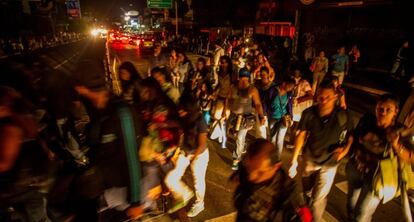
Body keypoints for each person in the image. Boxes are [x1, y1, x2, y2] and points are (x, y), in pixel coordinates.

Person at [74, 85, 144, 220]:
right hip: (106, 182)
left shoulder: (123, 113)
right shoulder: (104, 112)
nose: (90, 100)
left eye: (90, 94)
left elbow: (131, 155)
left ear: (103, 92)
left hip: (121, 186)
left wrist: (135, 201)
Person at [289, 80, 354, 222]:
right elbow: (301, 136)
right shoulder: (309, 113)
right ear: (316, 96)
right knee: (305, 192)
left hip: (330, 164)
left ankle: (315, 219)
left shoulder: (343, 116)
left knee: (318, 199)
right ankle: (303, 213)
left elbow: (351, 137)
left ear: (335, 97)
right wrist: (294, 161)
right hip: (310, 160)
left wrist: (344, 151)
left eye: (328, 97)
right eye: (320, 97)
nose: (324, 101)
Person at [346, 94, 411, 222]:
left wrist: (396, 145)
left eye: (388, 110)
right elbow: (354, 135)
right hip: (355, 169)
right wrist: (347, 148)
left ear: (396, 112)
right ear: (375, 108)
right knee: (351, 203)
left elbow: (411, 158)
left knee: (362, 213)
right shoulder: (367, 119)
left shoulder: (399, 131)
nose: (383, 112)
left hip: (377, 178)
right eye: (380, 108)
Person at [0, 86, 52, 222]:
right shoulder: (23, 118)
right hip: (31, 187)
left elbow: (4, 164)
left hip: (22, 189)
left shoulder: (10, 128)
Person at [231, 139, 313, 222]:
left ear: (276, 167)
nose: (251, 177)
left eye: (260, 173)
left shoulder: (290, 195)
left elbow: (305, 217)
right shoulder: (249, 167)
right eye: (249, 169)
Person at [165, 93, 209, 217]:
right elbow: (174, 123)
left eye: (183, 110)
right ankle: (184, 193)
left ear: (190, 110)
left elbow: (201, 145)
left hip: (199, 155)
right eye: (180, 109)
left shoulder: (200, 121)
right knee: (171, 178)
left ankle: (200, 203)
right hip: (185, 152)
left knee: (198, 181)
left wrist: (191, 160)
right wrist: (160, 123)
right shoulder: (184, 117)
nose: (180, 112)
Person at [228, 68, 265, 170]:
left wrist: (261, 116)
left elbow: (258, 104)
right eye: (242, 79)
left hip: (245, 117)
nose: (244, 81)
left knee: (240, 137)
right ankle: (242, 147)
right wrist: (225, 110)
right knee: (236, 136)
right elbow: (229, 98)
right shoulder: (233, 87)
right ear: (239, 78)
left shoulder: (252, 90)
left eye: (246, 79)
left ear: (249, 79)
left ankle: (236, 159)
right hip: (234, 116)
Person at [268, 77, 296, 161]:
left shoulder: (289, 94)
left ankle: (277, 159)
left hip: (283, 119)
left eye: (292, 87)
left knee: (280, 140)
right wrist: (265, 114)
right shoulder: (273, 90)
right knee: (272, 138)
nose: (291, 88)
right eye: (290, 86)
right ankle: (271, 157)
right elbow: (267, 102)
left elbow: (290, 105)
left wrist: (291, 116)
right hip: (273, 117)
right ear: (284, 83)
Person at [255, 67, 278, 139]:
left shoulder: (273, 86)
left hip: (269, 111)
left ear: (268, 75)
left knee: (269, 129)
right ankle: (261, 143)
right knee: (260, 128)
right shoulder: (257, 83)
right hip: (260, 109)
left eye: (264, 74)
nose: (262, 76)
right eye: (261, 74)